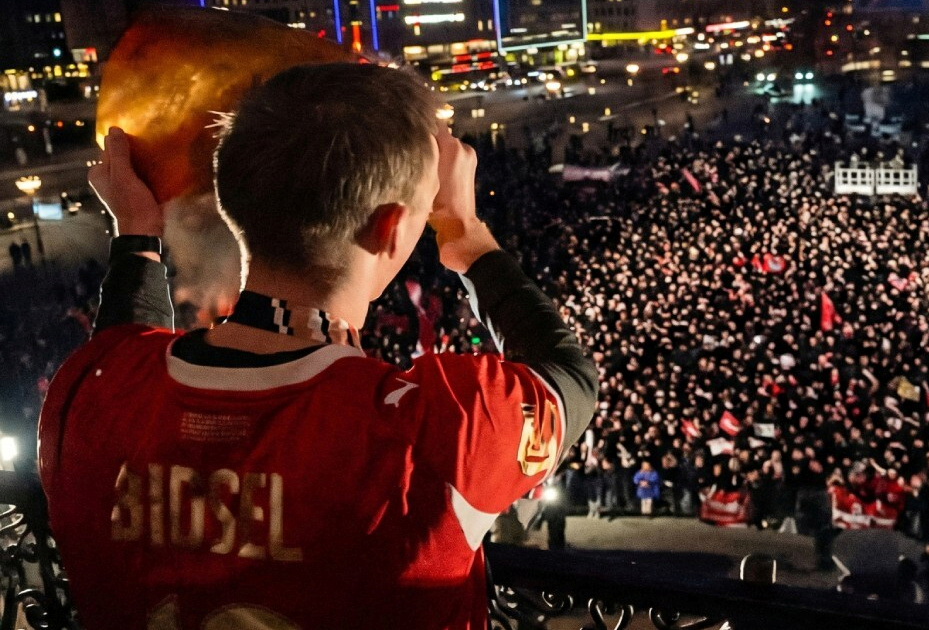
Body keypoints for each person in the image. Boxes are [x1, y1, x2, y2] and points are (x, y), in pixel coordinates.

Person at [37, 64, 598, 629]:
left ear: (237, 204)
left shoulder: (87, 392)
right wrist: (469, 237)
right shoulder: (436, 430)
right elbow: (569, 378)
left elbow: (121, 348)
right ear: (391, 227)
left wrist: (137, 231)